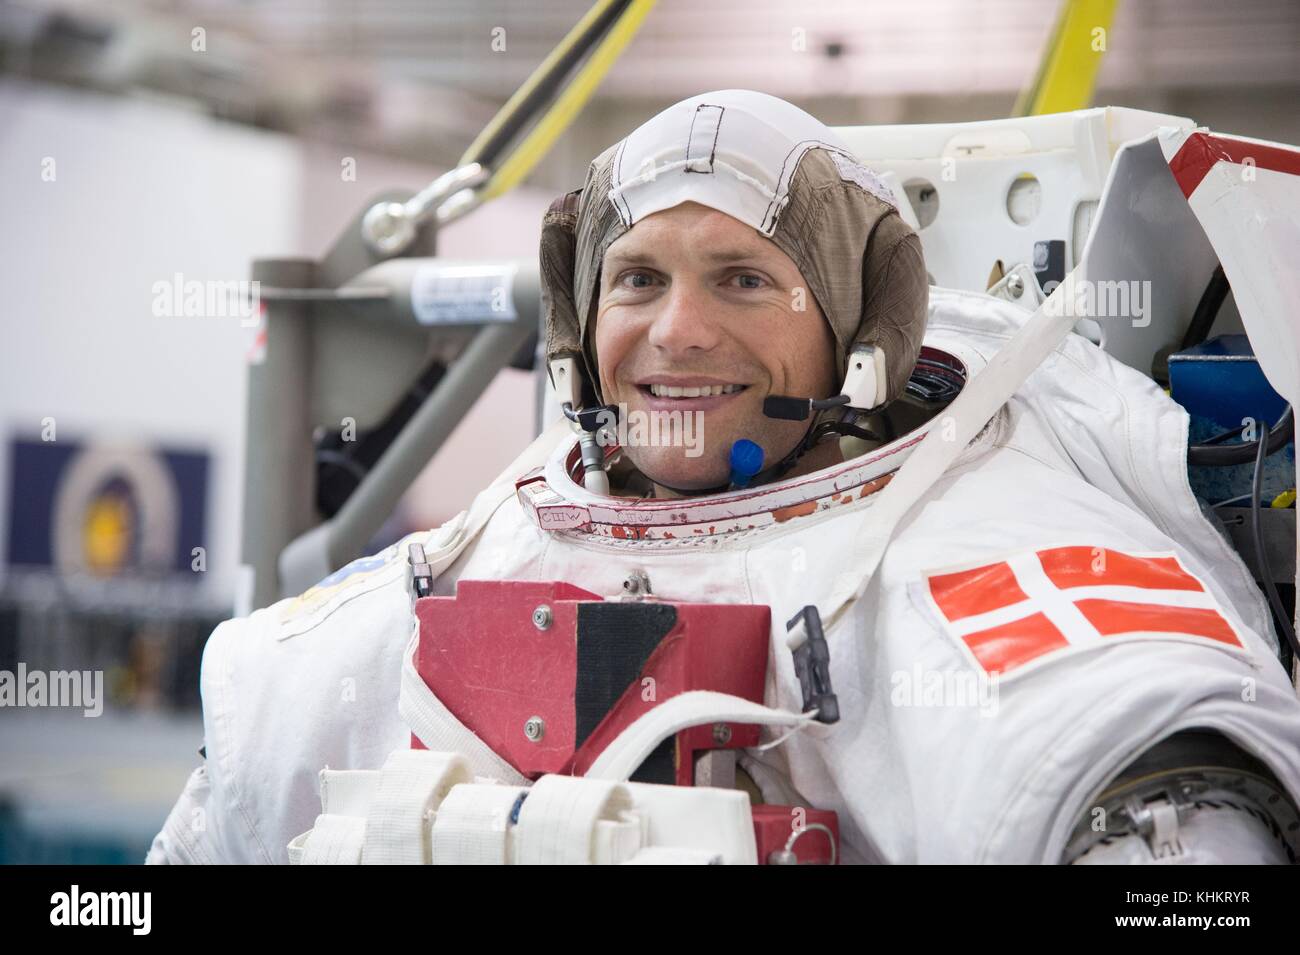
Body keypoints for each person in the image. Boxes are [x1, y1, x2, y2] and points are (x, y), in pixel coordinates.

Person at [148, 89, 1300, 865]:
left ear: (858, 329)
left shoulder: (990, 571)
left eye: (745, 279)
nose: (676, 332)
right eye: (637, 279)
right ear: (577, 321)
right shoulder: (452, 574)